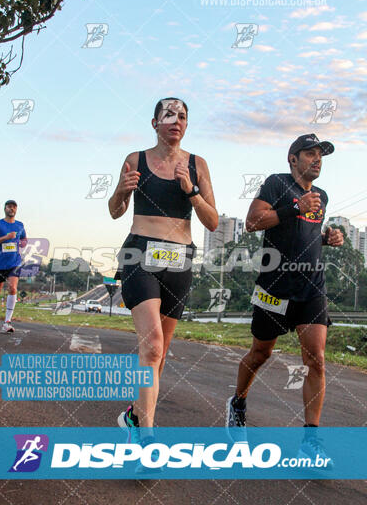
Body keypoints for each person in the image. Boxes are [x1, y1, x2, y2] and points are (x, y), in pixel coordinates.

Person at [109, 97, 218, 452]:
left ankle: (135, 416)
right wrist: (122, 191)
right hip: (140, 253)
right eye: (169, 114)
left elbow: (213, 221)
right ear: (154, 122)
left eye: (182, 115)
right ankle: (147, 441)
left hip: (180, 262)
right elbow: (115, 211)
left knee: (159, 353)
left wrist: (192, 191)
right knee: (152, 346)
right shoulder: (134, 160)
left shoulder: (197, 164)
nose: (176, 120)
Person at [226, 134, 343, 461]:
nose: (317, 160)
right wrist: (295, 207)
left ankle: (310, 440)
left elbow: (305, 235)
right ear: (293, 159)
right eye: (310, 154)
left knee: (316, 358)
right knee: (260, 354)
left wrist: (327, 238)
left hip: (311, 287)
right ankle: (238, 402)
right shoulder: (276, 184)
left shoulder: (322, 196)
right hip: (275, 287)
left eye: (320, 155)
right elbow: (253, 222)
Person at [0, 200, 27, 332]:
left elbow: (24, 239)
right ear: (5, 209)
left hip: (14, 263)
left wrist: (22, 244)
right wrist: (6, 237)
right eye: (9, 207)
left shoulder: (20, 225)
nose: (12, 209)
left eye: (14, 207)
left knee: (13, 288)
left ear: (16, 210)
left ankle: (7, 322)